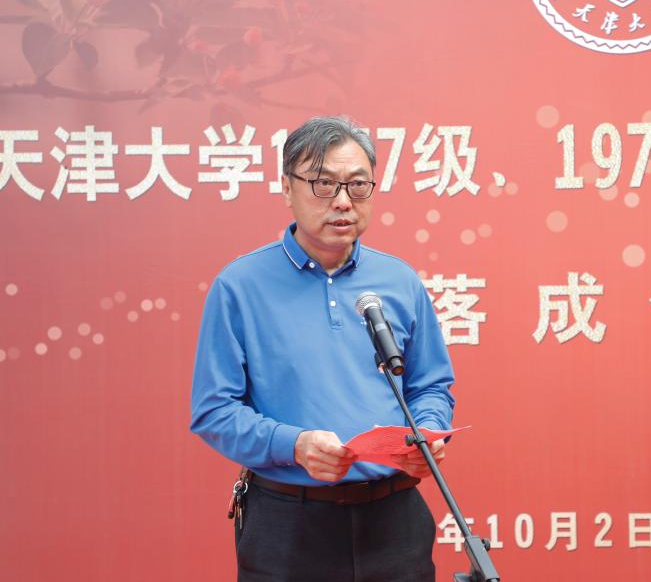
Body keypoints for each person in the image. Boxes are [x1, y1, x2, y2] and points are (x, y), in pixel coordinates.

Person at [190, 116, 455, 582]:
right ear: (287, 188)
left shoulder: (399, 281)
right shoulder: (240, 286)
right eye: (323, 184)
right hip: (288, 524)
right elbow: (214, 411)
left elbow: (431, 386)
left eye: (358, 185)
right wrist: (294, 445)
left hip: (393, 518)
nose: (343, 201)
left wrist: (428, 434)